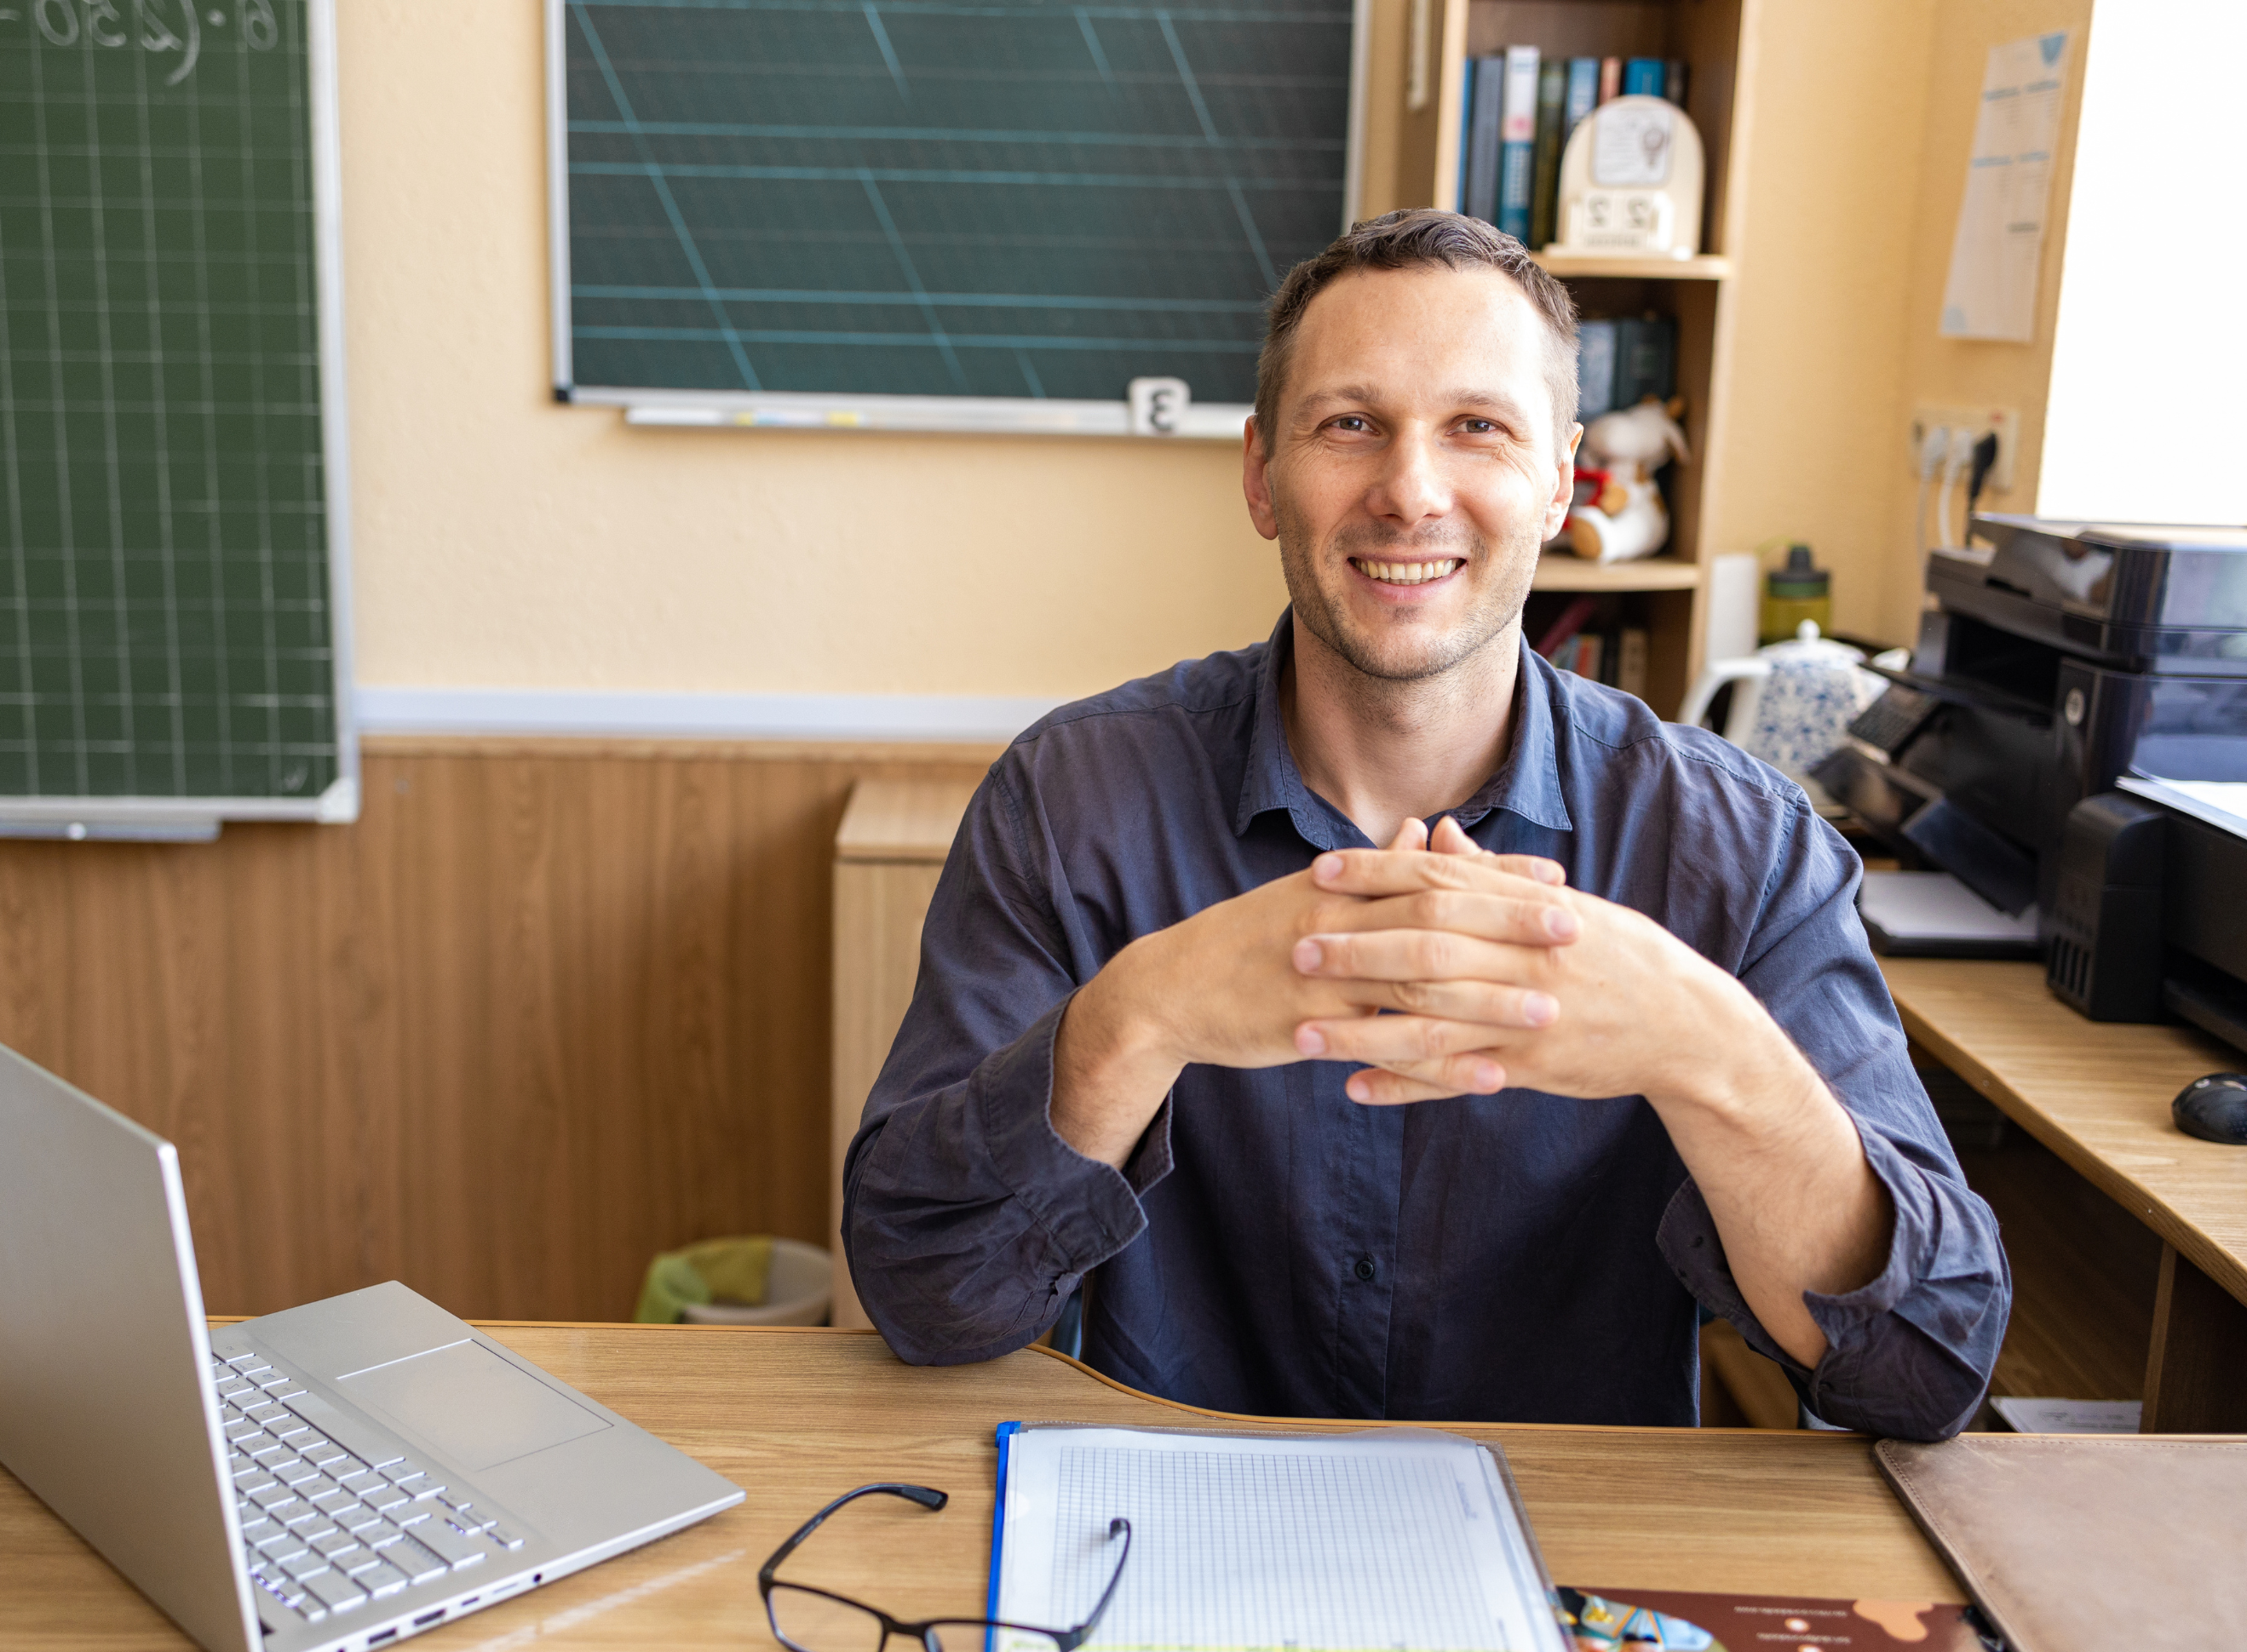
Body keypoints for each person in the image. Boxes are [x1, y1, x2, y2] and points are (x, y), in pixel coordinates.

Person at [839, 211, 2008, 1440]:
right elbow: (927, 1300)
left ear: (1560, 480)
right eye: (1350, 424)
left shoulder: (1737, 848)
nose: (1409, 490)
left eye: (1478, 429)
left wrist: (1707, 1047)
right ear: (1259, 476)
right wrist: (1141, 1016)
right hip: (1172, 1538)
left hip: (1575, 1564)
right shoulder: (1071, 805)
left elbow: (1924, 1370)